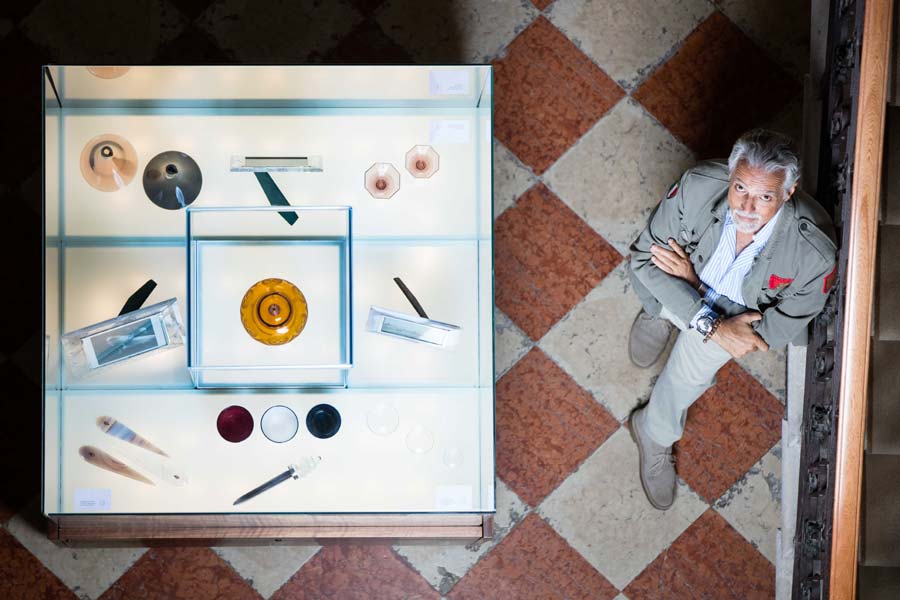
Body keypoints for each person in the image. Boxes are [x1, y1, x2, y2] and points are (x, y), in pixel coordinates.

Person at [627, 129, 837, 510]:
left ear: (788, 192)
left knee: (690, 371)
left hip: (735, 317)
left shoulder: (815, 254)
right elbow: (643, 257)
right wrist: (699, 301)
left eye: (765, 196)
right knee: (657, 278)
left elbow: (773, 330)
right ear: (730, 173)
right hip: (696, 291)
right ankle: (659, 313)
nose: (747, 207)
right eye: (740, 188)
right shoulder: (697, 186)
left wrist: (701, 301)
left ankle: (652, 431)